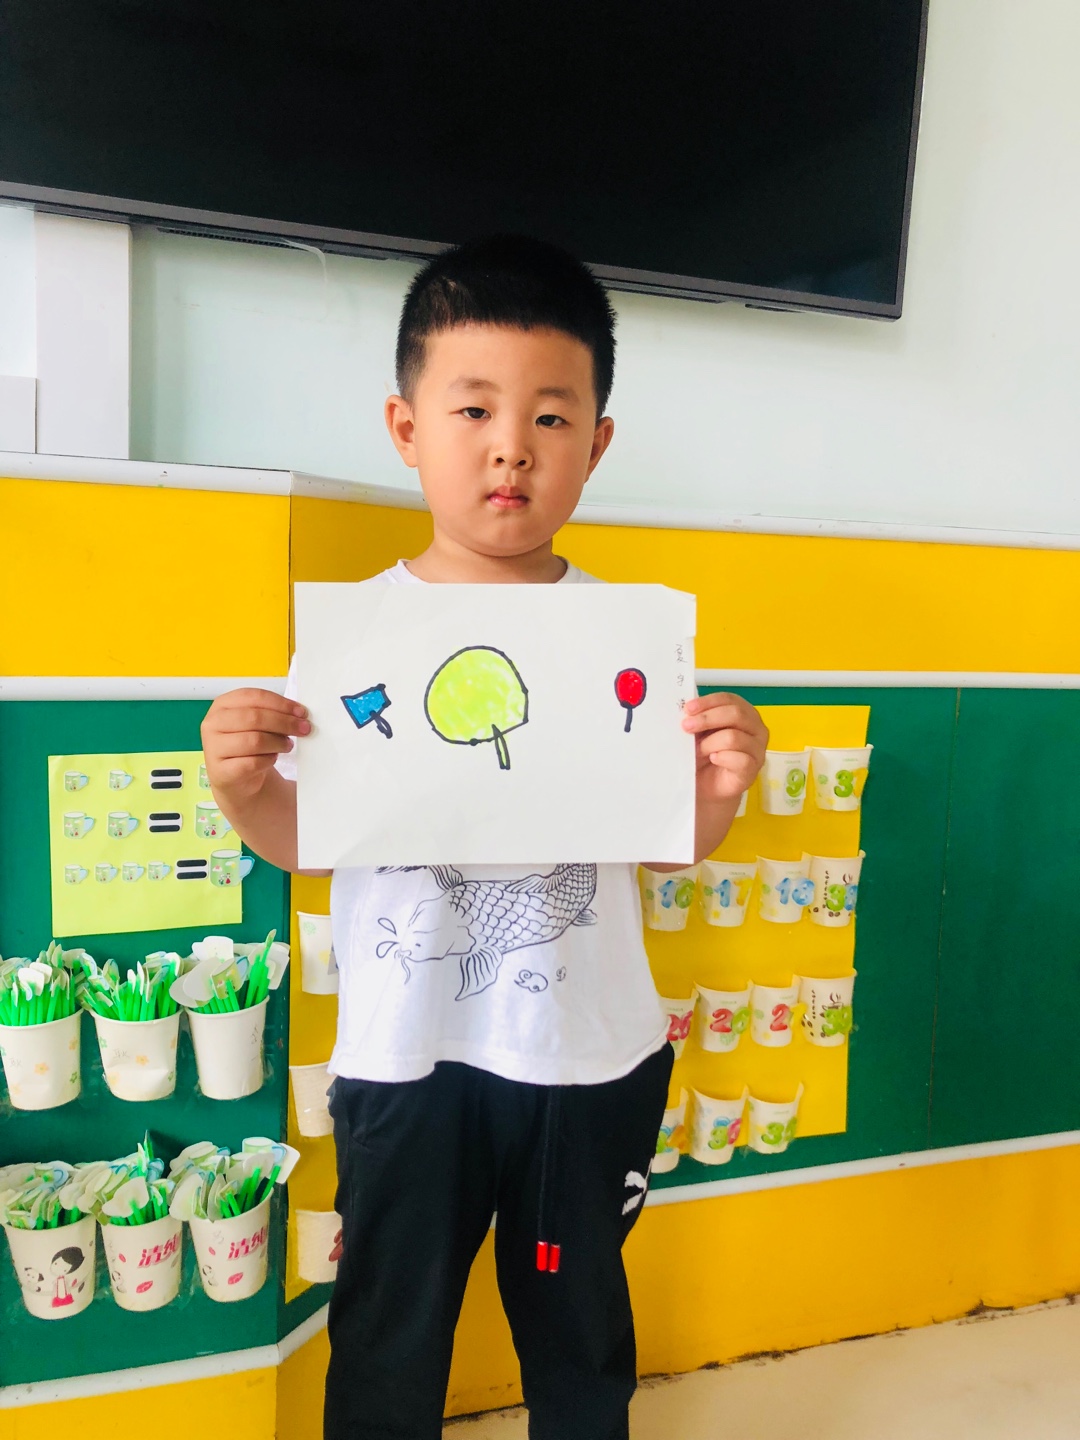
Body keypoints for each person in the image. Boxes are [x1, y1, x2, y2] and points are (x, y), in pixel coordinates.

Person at [202, 235, 768, 1440]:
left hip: (586, 1058)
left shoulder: (628, 639)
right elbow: (306, 839)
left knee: (578, 1329)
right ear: (407, 429)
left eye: (551, 418)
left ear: (596, 445)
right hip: (408, 1059)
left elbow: (666, 846)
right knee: (388, 1330)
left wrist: (719, 787)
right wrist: (242, 786)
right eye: (474, 410)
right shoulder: (353, 641)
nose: (512, 446)